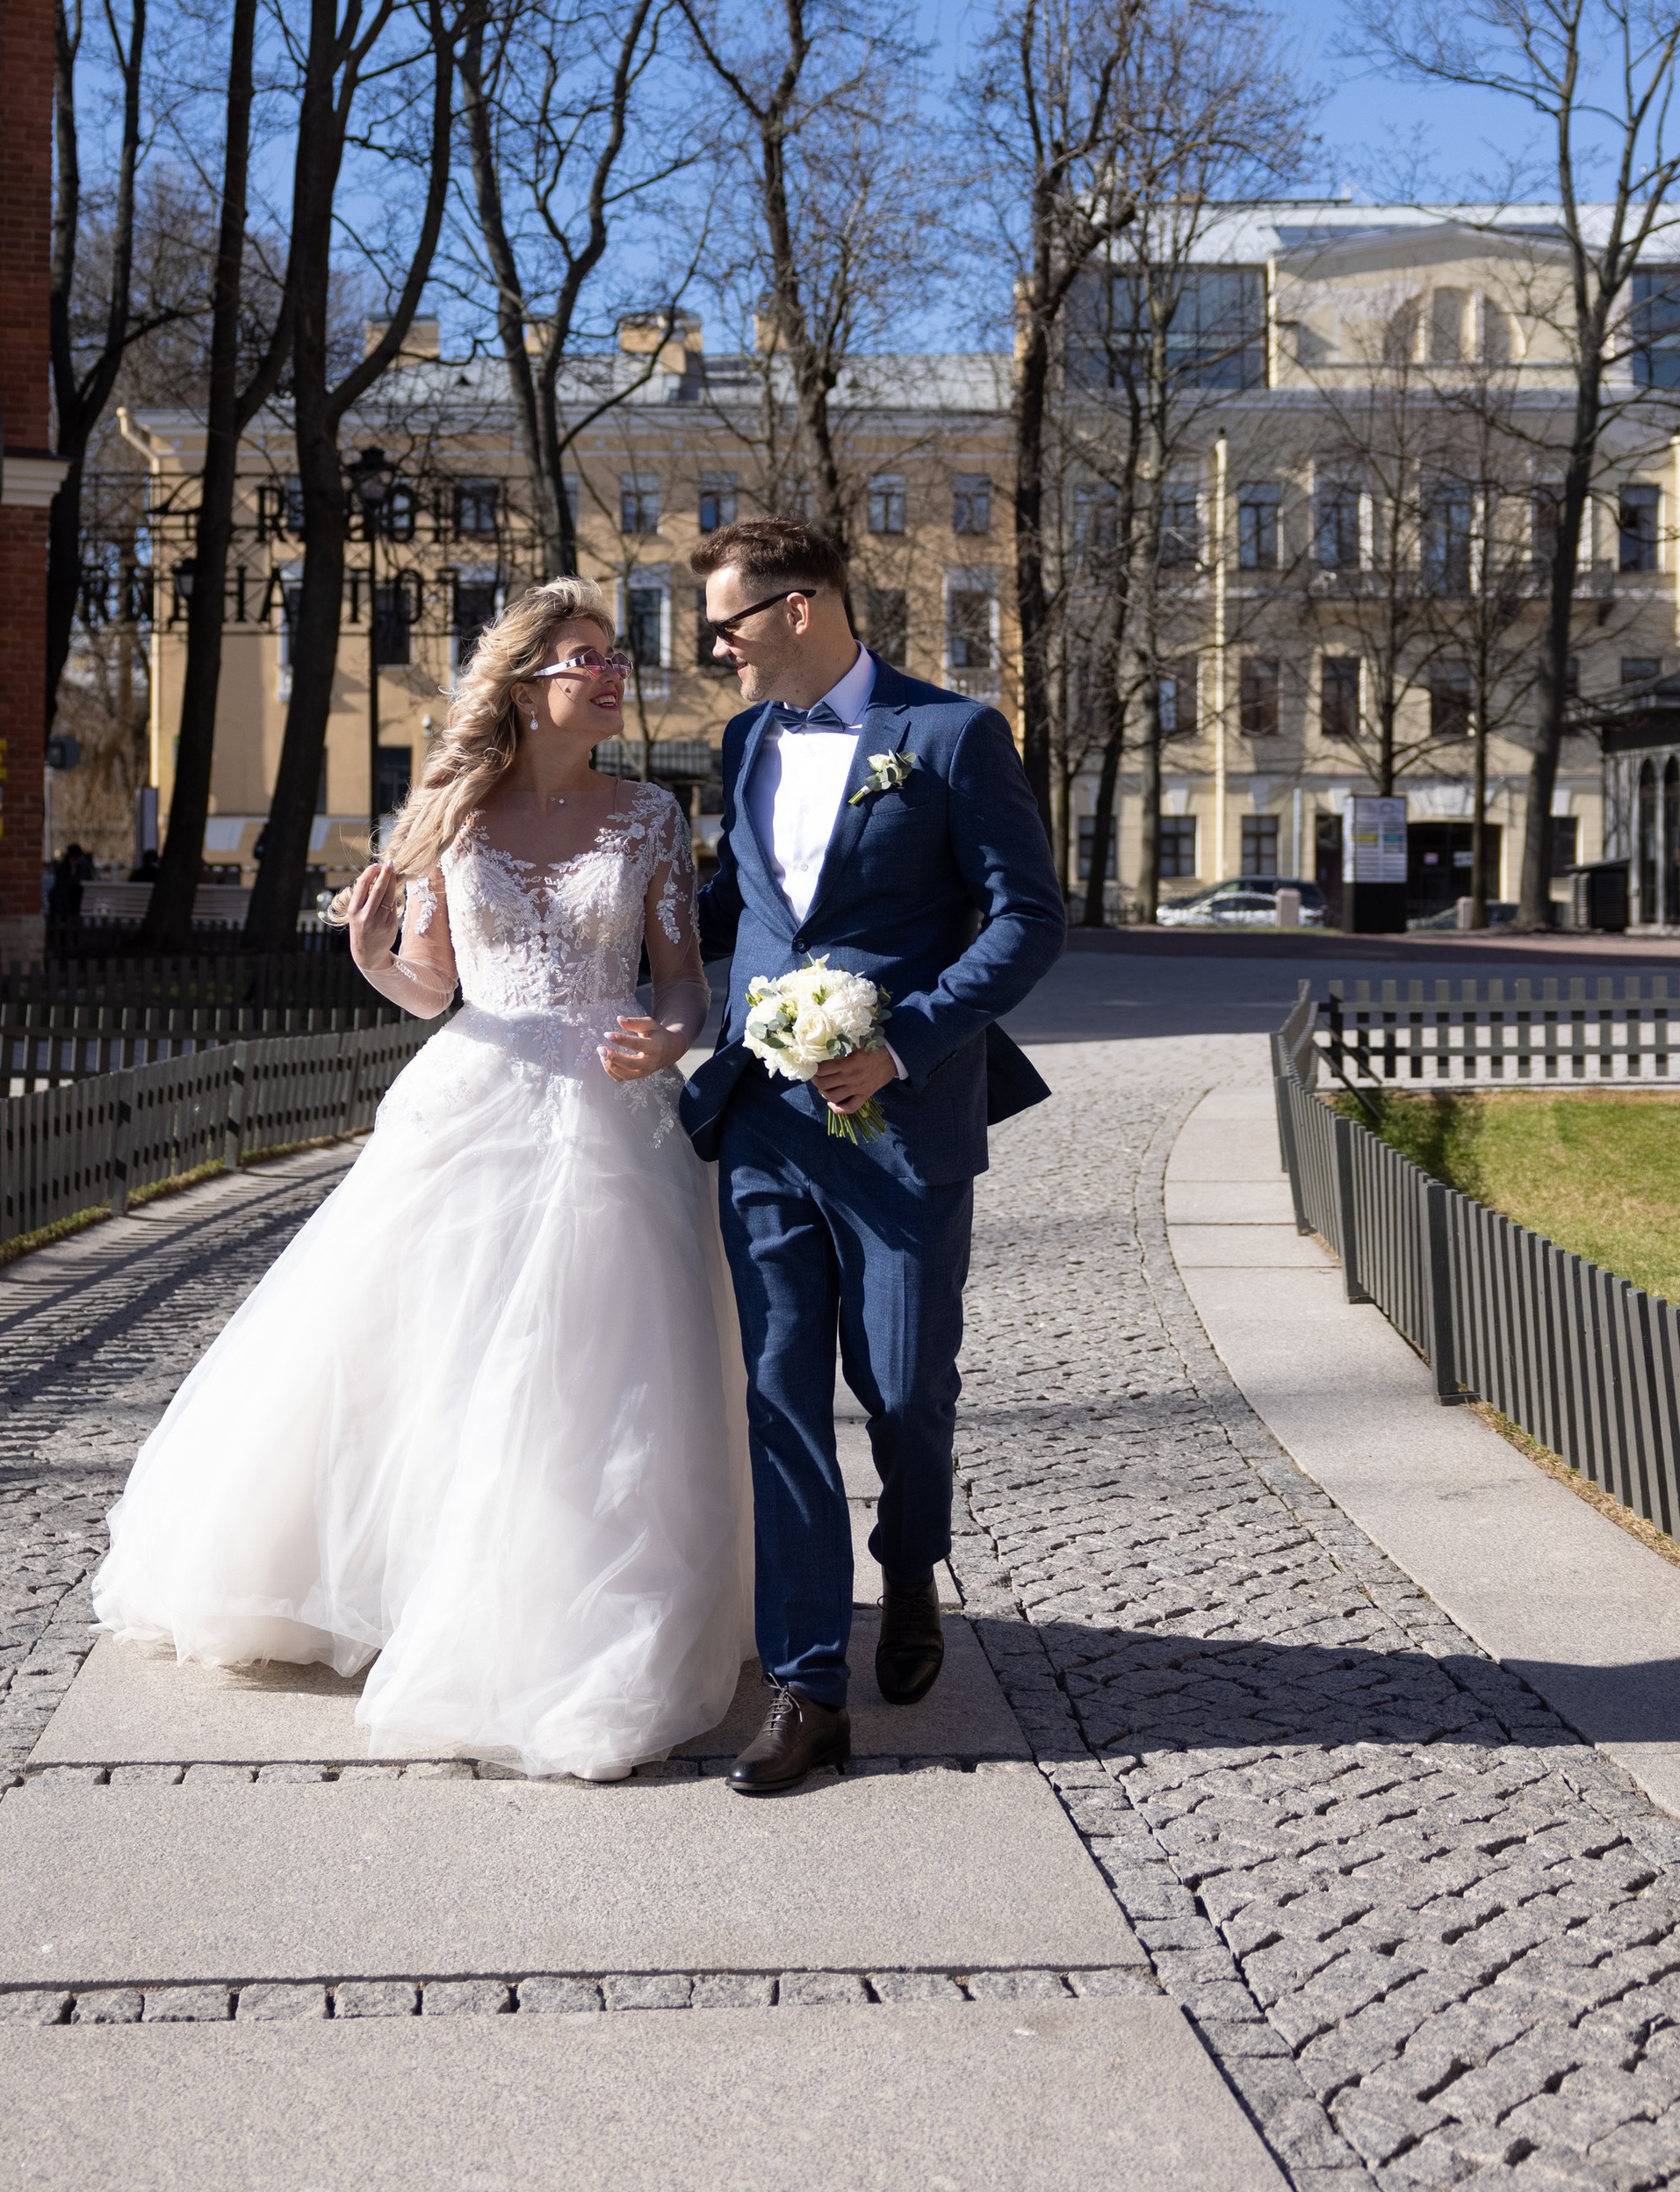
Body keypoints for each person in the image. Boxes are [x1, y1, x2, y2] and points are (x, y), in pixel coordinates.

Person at [90, 580, 752, 1780]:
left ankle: (569, 1605)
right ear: (525, 680)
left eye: (613, 657)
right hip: (472, 1100)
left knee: (595, 1372)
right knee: (439, 1352)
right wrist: (367, 956)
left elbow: (684, 982)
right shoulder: (449, 810)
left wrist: (666, 1036)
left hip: (613, 1118)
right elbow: (433, 989)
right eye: (585, 657)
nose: (611, 673)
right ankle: (416, 1587)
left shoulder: (653, 814)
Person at [681, 518, 1065, 1795]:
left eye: (727, 626)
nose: (713, 651)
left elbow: (1027, 917)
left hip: (904, 1122)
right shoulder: (742, 744)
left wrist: (903, 1043)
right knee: (780, 1390)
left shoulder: (952, 737)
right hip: (765, 1127)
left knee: (903, 1387)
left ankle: (910, 1560)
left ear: (801, 609)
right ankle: (807, 1684)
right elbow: (740, 911)